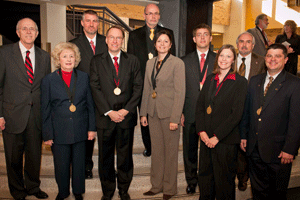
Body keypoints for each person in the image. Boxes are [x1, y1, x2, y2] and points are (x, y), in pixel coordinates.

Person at [240, 43, 300, 200]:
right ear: (264, 58)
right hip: (254, 149)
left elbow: (296, 120)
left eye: (278, 56)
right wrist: (244, 136)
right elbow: (247, 112)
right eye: (269, 55)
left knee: (277, 194)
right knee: (258, 193)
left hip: (279, 152)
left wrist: (290, 149)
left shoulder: (294, 84)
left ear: (285, 60)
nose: (273, 59)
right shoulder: (254, 81)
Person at [90, 25, 143, 200]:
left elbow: (138, 87)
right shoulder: (96, 60)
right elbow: (95, 87)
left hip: (126, 118)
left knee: (125, 157)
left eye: (118, 38)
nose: (114, 40)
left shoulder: (133, 60)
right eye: (111, 37)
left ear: (123, 40)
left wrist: (126, 110)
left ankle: (123, 189)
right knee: (105, 157)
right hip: (105, 118)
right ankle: (107, 191)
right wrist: (109, 111)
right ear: (106, 40)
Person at [0, 18, 50, 200]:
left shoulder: (44, 57)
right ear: (18, 32)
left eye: (32, 29)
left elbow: (45, 89)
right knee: (13, 157)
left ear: (37, 34)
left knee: (34, 155)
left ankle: (33, 187)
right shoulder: (4, 53)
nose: (29, 32)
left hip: (35, 115)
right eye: (25, 29)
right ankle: (17, 190)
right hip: (12, 114)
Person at [41, 42, 96, 200]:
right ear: (58, 59)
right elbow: (45, 108)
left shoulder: (84, 77)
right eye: (64, 56)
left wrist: (92, 128)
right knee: (61, 165)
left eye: (71, 56)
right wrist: (47, 134)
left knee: (79, 164)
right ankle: (63, 192)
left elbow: (90, 105)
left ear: (76, 58)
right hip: (59, 130)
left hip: (80, 128)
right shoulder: (48, 80)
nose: (68, 59)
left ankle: (78, 192)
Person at [195, 44, 248, 200]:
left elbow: (236, 114)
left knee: (224, 183)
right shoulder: (211, 79)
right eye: (222, 55)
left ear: (233, 60)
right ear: (217, 58)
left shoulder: (240, 82)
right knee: (205, 179)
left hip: (225, 141)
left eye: (228, 56)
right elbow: (200, 107)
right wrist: (202, 132)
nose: (224, 59)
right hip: (206, 139)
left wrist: (216, 137)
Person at [140, 29, 185, 200]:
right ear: (155, 43)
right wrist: (143, 113)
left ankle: (169, 188)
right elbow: (147, 89)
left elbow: (180, 92)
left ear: (171, 44)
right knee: (157, 152)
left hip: (169, 114)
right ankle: (156, 185)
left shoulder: (177, 63)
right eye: (159, 41)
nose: (162, 44)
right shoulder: (149, 63)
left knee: (170, 153)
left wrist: (175, 118)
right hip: (152, 113)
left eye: (166, 41)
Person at [127, 3, 176, 157]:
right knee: (145, 117)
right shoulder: (134, 35)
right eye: (150, 13)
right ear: (144, 16)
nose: (153, 16)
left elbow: (172, 58)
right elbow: (131, 61)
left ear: (159, 16)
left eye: (156, 13)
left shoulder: (168, 34)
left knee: (160, 115)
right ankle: (149, 146)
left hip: (164, 86)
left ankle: (161, 145)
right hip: (143, 85)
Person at [70, 9, 107, 179]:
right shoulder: (73, 44)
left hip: (105, 96)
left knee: (106, 134)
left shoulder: (107, 41)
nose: (92, 24)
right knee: (87, 135)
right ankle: (86, 166)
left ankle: (106, 168)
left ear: (98, 24)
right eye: (88, 21)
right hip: (83, 97)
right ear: (82, 23)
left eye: (95, 21)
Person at [180, 23, 216, 194]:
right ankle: (191, 181)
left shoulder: (219, 59)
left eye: (206, 34)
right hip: (190, 112)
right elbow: (179, 89)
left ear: (210, 37)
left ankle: (207, 180)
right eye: (199, 34)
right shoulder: (184, 61)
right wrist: (180, 112)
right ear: (194, 39)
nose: (202, 37)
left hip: (212, 114)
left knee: (210, 151)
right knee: (190, 150)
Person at [235, 31, 265, 191]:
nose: (244, 45)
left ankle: (243, 177)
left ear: (253, 45)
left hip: (252, 109)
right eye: (241, 41)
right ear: (237, 44)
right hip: (231, 109)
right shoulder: (229, 59)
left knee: (245, 144)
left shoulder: (261, 61)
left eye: (248, 42)